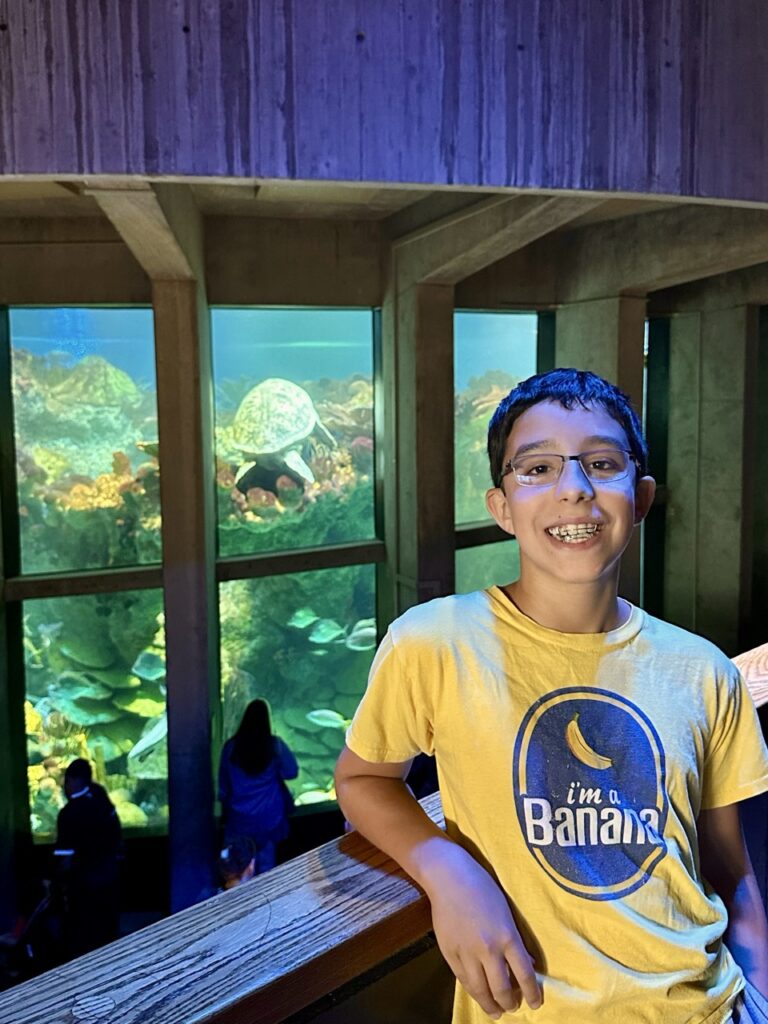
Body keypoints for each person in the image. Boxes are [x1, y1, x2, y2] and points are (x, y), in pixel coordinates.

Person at [335, 368, 768, 1024]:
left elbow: (730, 871)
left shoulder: (705, 670)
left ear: (641, 496)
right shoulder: (434, 642)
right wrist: (445, 868)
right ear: (502, 505)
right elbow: (363, 777)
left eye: (601, 462)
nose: (574, 489)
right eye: (536, 468)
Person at [218, 699, 298, 874]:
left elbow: (223, 788)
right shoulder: (274, 746)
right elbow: (291, 772)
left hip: (239, 821)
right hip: (269, 819)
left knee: (236, 868)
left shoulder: (231, 747)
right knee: (267, 868)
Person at [54, 758, 122, 959]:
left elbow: (64, 860)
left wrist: (56, 882)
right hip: (109, 877)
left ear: (72, 781)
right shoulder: (100, 796)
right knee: (107, 933)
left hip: (84, 884)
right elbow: (115, 830)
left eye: (67, 781)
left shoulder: (69, 814)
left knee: (84, 936)